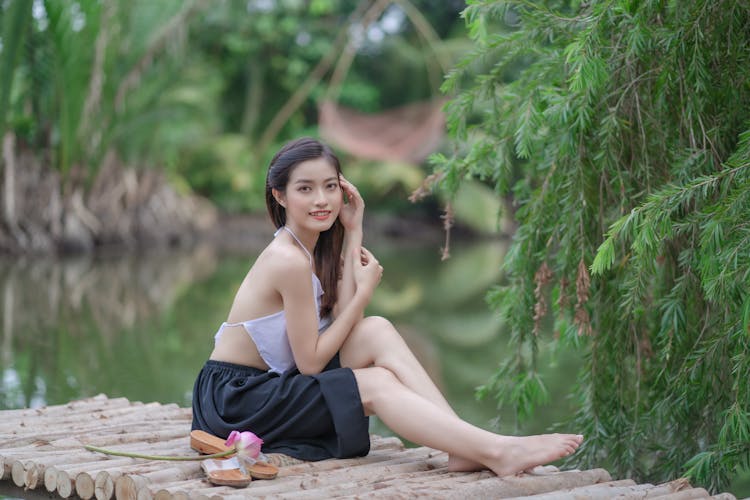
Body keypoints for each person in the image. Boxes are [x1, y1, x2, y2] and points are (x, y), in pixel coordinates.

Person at [191, 137, 583, 476]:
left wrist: (354, 230)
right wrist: (363, 290)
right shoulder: (288, 260)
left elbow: (350, 329)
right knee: (375, 383)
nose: (322, 199)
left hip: (268, 386)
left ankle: (463, 446)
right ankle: (496, 450)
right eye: (305, 189)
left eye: (330, 186)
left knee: (376, 329)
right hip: (236, 401)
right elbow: (311, 363)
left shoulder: (307, 250)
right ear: (280, 195)